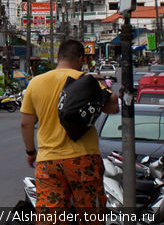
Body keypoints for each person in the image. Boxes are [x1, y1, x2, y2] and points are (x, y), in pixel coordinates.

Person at [21, 39, 119, 219]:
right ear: (81, 59)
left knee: (51, 217)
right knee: (91, 216)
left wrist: (30, 152)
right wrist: (100, 83)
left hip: (48, 161)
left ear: (59, 58)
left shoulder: (36, 83)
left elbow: (25, 123)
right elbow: (113, 107)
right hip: (83, 159)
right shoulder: (86, 81)